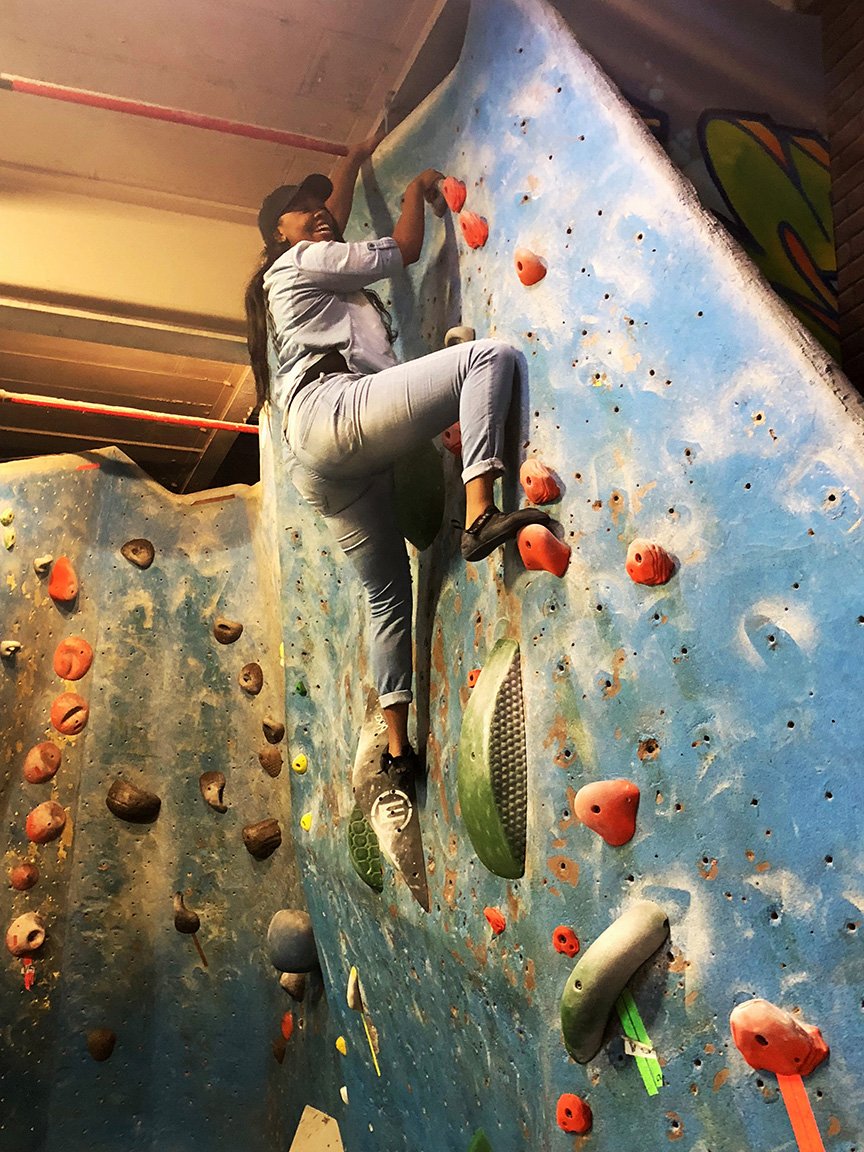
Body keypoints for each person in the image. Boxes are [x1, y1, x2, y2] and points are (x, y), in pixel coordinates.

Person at [245, 135, 549, 782]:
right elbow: (404, 249)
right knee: (485, 358)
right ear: (279, 231)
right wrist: (413, 192)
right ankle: (479, 516)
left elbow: (334, 210)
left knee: (387, 595)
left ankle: (398, 751)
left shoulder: (292, 276)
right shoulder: (302, 260)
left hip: (317, 463)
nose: (319, 213)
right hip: (335, 416)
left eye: (321, 205)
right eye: (302, 209)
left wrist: (351, 166)